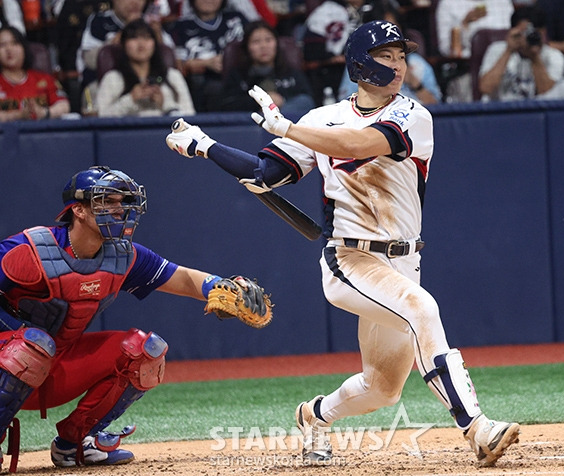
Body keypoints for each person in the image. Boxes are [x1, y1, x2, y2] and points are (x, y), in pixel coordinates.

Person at [166, 19, 521, 467]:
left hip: (403, 261)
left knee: (383, 389)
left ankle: (314, 416)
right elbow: (263, 175)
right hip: (349, 260)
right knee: (422, 309)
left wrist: (289, 129)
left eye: (400, 56)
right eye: (386, 56)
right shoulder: (320, 119)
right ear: (359, 63)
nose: (398, 65)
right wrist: (203, 144)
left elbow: (358, 142)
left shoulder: (412, 115)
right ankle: (477, 428)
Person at [0, 165, 269, 469]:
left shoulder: (122, 255)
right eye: (107, 202)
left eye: (122, 201)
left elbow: (183, 278)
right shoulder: (29, 251)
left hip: (55, 368)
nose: (119, 210)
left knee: (145, 351)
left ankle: (75, 444)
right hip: (10, 360)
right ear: (78, 210)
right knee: (33, 345)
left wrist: (222, 286)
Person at [337, 2, 442, 104]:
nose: (389, 36)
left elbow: (438, 107)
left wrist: (415, 83)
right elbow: (347, 106)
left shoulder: (417, 65)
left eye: (393, 27)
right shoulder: (360, 65)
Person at [96, 19, 194, 117]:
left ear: (154, 44)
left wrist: (165, 104)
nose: (141, 44)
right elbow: (101, 116)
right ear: (123, 44)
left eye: (146, 38)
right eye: (134, 38)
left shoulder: (173, 76)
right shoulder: (112, 78)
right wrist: (131, 99)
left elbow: (190, 115)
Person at [478, 6, 564, 101]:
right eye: (525, 32)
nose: (529, 37)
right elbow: (485, 88)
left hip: (534, 112)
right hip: (503, 110)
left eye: (535, 33)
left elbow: (547, 94)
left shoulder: (553, 56)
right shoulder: (497, 49)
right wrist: (508, 51)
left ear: (544, 32)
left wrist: (534, 57)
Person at [165, 0, 247, 112]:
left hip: (243, 79)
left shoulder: (237, 19)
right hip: (202, 85)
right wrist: (205, 63)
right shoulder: (180, 27)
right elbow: (178, 66)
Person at [216, 20, 314, 113]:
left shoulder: (292, 73)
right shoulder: (237, 75)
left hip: (289, 123)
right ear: (247, 47)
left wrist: (281, 101)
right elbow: (226, 105)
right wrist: (260, 103)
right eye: (256, 42)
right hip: (250, 126)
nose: (263, 46)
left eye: (268, 40)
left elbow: (308, 101)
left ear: (276, 44)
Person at [435, 0, 513, 102]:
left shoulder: (503, 2)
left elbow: (510, 35)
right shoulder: (448, 3)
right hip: (467, 69)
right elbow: (445, 49)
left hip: (506, 63)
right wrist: (465, 23)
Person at [301, 0, 369, 106]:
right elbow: (311, 53)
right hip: (332, 70)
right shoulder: (325, 12)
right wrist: (337, 58)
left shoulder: (375, 7)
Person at [0, 26, 70, 121]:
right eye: (2, 45)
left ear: (24, 48)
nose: (9, 49)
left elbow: (64, 105)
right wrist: (17, 115)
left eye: (15, 43)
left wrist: (44, 113)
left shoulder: (44, 79)